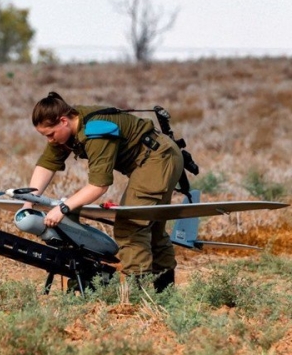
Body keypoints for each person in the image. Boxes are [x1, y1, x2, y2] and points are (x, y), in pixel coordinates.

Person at [26, 91, 184, 292]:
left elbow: (99, 185)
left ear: (63, 121)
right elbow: (47, 165)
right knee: (151, 228)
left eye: (50, 134)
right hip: (154, 159)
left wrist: (63, 208)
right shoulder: (68, 128)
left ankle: (139, 296)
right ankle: (165, 293)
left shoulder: (95, 131)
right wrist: (28, 202)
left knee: (131, 225)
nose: (49, 140)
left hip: (158, 159)